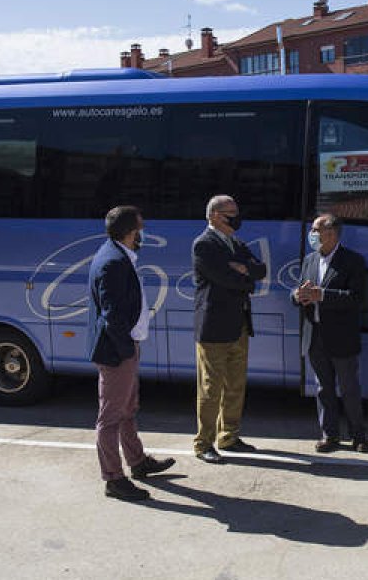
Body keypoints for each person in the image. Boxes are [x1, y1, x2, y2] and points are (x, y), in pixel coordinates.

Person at [87, 205, 175, 502]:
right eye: (140, 228)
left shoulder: (118, 254)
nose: (143, 234)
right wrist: (126, 349)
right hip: (116, 351)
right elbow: (112, 315)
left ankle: (137, 462)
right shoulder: (112, 261)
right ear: (129, 232)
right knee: (111, 416)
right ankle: (113, 479)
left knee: (127, 408)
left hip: (124, 346)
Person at [191, 194, 268, 464]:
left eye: (236, 211)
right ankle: (204, 443)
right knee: (211, 389)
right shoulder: (204, 244)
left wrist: (243, 270)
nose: (236, 217)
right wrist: (245, 276)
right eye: (229, 213)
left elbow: (261, 270)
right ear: (214, 215)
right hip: (213, 328)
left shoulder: (236, 242)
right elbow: (227, 280)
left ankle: (229, 436)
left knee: (235, 384)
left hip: (238, 325)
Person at [292, 214, 368, 453]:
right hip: (314, 335)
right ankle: (330, 435)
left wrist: (323, 295)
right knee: (323, 389)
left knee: (349, 389)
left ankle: (359, 436)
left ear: (332, 234)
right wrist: (297, 296)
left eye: (316, 230)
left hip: (341, 337)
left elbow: (358, 299)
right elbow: (301, 292)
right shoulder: (310, 260)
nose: (312, 234)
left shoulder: (353, 261)